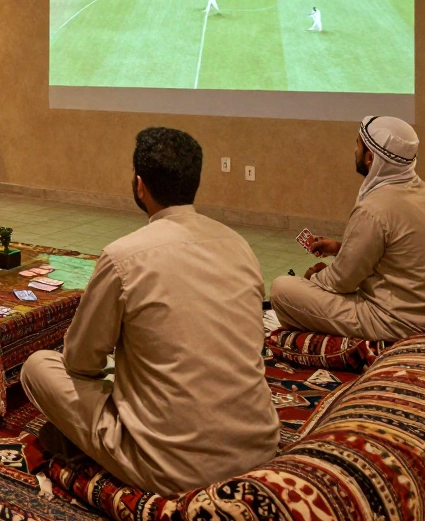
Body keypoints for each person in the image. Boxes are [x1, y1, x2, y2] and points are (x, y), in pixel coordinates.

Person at [20, 127, 279, 496]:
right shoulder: (239, 245)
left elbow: (79, 361)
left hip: (172, 465)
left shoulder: (124, 256)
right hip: (259, 447)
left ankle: (98, 448)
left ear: (140, 185)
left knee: (38, 367)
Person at [269, 116, 425, 341]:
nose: (354, 150)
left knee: (282, 290)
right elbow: (397, 254)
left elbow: (341, 281)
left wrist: (314, 278)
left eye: (357, 144)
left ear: (370, 158)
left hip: (397, 323)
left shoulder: (374, 208)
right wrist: (341, 249)